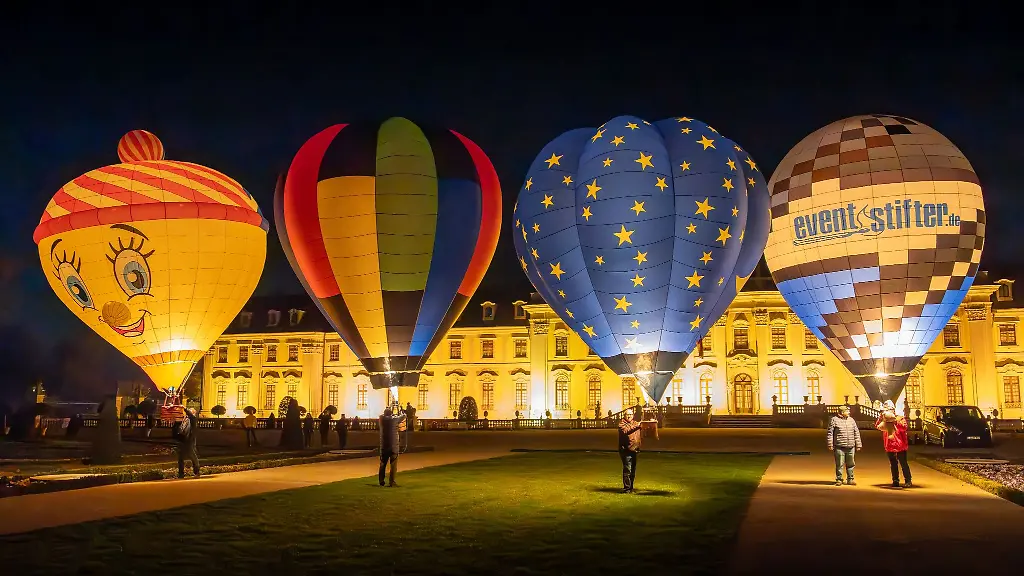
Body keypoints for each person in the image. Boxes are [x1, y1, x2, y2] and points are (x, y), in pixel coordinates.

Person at [617, 408, 655, 493]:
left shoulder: (634, 423)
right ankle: (627, 488)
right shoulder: (621, 424)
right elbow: (626, 430)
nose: (629, 416)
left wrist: (651, 422)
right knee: (628, 470)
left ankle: (631, 487)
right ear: (624, 415)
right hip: (626, 450)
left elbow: (645, 426)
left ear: (633, 415)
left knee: (633, 470)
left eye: (631, 414)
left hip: (635, 450)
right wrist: (638, 425)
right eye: (628, 414)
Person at [876, 400, 912, 488]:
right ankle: (895, 480)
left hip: (900, 445)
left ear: (893, 410)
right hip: (889, 445)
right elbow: (877, 426)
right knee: (893, 464)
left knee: (903, 463)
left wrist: (895, 421)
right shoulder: (884, 419)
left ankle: (908, 480)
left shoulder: (899, 418)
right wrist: (881, 418)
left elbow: (904, 427)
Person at [826, 405, 862, 486]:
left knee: (851, 464)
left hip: (851, 446)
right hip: (839, 446)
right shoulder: (834, 420)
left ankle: (850, 479)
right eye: (847, 411)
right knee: (840, 464)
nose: (849, 412)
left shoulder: (851, 420)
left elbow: (856, 432)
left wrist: (858, 444)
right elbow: (830, 433)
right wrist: (830, 444)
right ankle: (839, 479)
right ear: (842, 412)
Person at [378, 407, 407, 487]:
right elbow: (404, 416)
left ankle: (381, 481)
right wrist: (401, 410)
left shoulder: (381, 419)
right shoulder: (394, 419)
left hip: (384, 446)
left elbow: (382, 415)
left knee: (383, 464)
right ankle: (392, 482)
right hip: (394, 447)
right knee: (393, 465)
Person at [173, 407, 200, 478]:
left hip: (189, 441)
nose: (187, 413)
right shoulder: (185, 419)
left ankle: (196, 472)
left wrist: (184, 408)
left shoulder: (193, 419)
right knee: (180, 458)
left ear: (193, 413)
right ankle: (181, 474)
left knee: (193, 457)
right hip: (182, 440)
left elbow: (190, 415)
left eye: (190, 412)